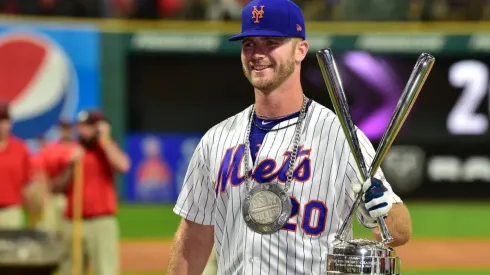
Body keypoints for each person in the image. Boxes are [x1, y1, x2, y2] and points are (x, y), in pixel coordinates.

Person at [166, 0, 413, 274]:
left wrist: (381, 212)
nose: (257, 54)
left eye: (271, 42)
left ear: (300, 50)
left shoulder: (341, 137)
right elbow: (193, 240)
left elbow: (400, 230)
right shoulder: (215, 140)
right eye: (249, 44)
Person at [53, 109, 130, 275]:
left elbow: (123, 166)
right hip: (73, 222)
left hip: (101, 222)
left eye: (92, 125)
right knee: (71, 271)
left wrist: (105, 140)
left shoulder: (106, 148)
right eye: (84, 126)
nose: (87, 130)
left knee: (105, 270)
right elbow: (56, 187)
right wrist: (71, 166)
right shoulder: (69, 150)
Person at [0, 102, 31, 228]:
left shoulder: (20, 148)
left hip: (12, 211)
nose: (1, 125)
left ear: (10, 123)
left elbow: (27, 184)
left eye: (4, 120)